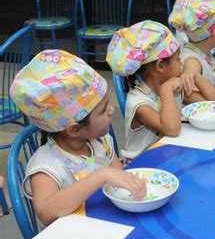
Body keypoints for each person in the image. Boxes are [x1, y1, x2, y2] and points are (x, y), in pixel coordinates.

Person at [9, 50, 146, 226]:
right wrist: (101, 176)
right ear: (74, 130)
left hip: (105, 225)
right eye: (103, 110)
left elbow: (119, 181)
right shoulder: (46, 165)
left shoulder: (100, 142)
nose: (112, 110)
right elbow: (46, 211)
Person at [106, 20, 215, 160]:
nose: (181, 64)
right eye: (178, 60)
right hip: (144, 166)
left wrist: (193, 74)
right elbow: (171, 129)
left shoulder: (174, 86)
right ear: (160, 66)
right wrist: (166, 90)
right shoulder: (138, 102)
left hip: (169, 155)